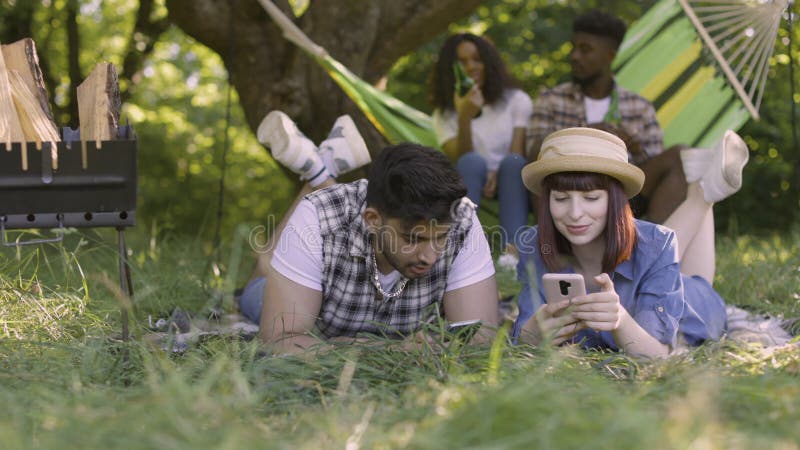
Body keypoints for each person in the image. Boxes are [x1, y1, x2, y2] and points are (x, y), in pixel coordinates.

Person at [238, 110, 499, 354]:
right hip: (303, 293)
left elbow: (480, 342)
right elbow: (280, 340)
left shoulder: (459, 217)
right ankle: (318, 176)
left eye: (440, 238)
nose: (429, 256)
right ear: (372, 220)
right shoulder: (319, 216)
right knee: (259, 282)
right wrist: (388, 350)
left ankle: (320, 171)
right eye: (413, 239)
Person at [512, 127, 749, 358]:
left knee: (692, 280)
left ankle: (704, 191)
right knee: (663, 253)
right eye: (561, 198)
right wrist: (531, 334)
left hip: (690, 306)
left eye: (591, 198)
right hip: (658, 276)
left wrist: (620, 321)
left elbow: (659, 354)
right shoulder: (534, 244)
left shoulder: (658, 243)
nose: (574, 213)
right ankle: (703, 186)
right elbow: (522, 340)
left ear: (616, 198)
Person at [527, 10, 687, 224]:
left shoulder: (639, 107)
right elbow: (532, 152)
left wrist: (636, 148)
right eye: (574, 48)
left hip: (623, 196)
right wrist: (587, 133)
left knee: (680, 155)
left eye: (585, 50)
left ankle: (655, 246)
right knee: (540, 147)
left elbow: (653, 166)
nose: (575, 56)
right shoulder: (551, 99)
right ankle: (550, 246)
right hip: (570, 192)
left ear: (610, 56)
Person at [430, 33, 533, 248]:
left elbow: (517, 152)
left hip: (509, 177)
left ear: (488, 62)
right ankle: (462, 246)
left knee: (513, 163)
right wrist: (464, 115)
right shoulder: (444, 115)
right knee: (471, 162)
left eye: (477, 59)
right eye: (462, 62)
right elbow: (459, 159)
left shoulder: (517, 100)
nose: (471, 67)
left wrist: (495, 173)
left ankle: (512, 251)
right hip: (471, 178)